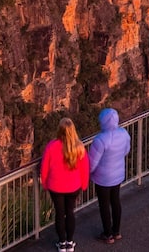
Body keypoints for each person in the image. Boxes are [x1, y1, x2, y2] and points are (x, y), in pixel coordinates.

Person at [41, 118, 90, 252]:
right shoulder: (79, 147)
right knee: (70, 213)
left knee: (59, 213)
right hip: (74, 186)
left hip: (55, 187)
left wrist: (45, 183)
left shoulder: (51, 146)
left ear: (60, 130)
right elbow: (85, 169)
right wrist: (84, 185)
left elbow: (44, 168)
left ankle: (61, 243)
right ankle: (70, 242)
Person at [88, 108, 131, 244]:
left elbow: (92, 163)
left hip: (102, 178)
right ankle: (116, 231)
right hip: (117, 174)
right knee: (115, 201)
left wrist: (87, 173)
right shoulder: (124, 133)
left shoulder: (100, 140)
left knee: (104, 205)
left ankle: (107, 234)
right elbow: (126, 151)